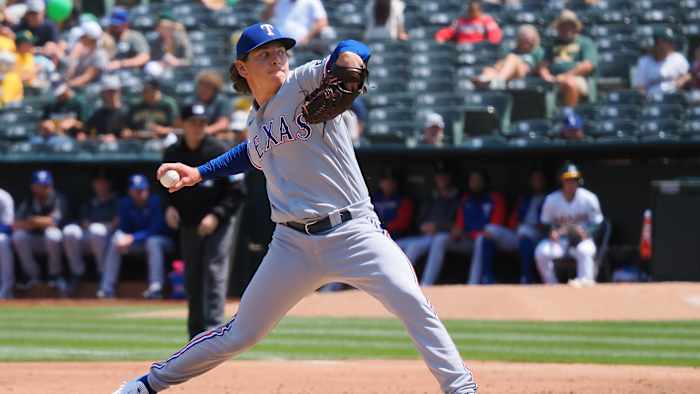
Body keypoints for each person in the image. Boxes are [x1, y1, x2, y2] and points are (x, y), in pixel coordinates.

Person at [113, 23, 477, 394]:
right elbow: (250, 153)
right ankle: (147, 385)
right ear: (242, 68)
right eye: (265, 54)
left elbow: (353, 48)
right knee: (240, 333)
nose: (277, 59)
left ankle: (461, 388)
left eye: (281, 51)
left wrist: (350, 58)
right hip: (291, 245)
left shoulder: (304, 82)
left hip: (354, 231)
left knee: (411, 302)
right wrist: (200, 172)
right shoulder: (254, 121)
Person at [163, 103, 244, 339]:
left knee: (214, 269)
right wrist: (169, 208)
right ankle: (195, 334)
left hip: (219, 219)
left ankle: (214, 331)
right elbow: (161, 188)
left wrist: (216, 215)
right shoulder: (173, 153)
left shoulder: (218, 149)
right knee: (193, 275)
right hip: (190, 222)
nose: (198, 127)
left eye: (202, 123)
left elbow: (238, 190)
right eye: (193, 122)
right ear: (182, 125)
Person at [421, 169, 506, 285]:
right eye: (472, 180)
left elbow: (494, 227)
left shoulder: (495, 198)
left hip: (489, 242)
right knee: (441, 238)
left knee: (481, 239)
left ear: (484, 182)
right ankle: (426, 283)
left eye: (477, 180)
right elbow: (459, 225)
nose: (474, 183)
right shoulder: (466, 200)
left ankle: (473, 282)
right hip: (468, 240)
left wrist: (469, 233)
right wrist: (457, 231)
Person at [98, 174, 173, 299]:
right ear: (130, 191)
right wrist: (124, 238)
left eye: (142, 189)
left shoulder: (155, 202)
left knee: (153, 241)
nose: (140, 193)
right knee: (116, 239)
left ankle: (156, 287)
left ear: (148, 189)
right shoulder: (125, 203)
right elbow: (124, 228)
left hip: (162, 242)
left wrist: (133, 238)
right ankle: (107, 288)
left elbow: (156, 230)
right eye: (136, 190)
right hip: (138, 243)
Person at [473, 169, 547, 285]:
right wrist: (514, 225)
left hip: (538, 234)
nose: (536, 182)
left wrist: (539, 226)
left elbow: (548, 223)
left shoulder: (549, 198)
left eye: (539, 179)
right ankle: (487, 277)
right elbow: (513, 218)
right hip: (519, 233)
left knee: (525, 232)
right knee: (490, 230)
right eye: (534, 179)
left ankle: (526, 277)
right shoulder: (525, 198)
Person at [535, 163, 603, 287]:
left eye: (574, 179)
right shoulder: (551, 200)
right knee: (541, 252)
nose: (571, 183)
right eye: (567, 179)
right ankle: (552, 284)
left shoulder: (589, 198)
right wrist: (551, 232)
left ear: (579, 181)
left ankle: (585, 282)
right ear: (561, 181)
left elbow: (598, 222)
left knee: (585, 250)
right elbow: (544, 223)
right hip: (561, 240)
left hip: (581, 239)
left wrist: (588, 232)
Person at [396, 161, 460, 283]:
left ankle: (411, 283)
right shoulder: (431, 197)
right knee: (395, 245)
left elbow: (458, 223)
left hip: (444, 235)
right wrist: (422, 226)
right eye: (439, 176)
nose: (441, 179)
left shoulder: (457, 197)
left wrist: (438, 226)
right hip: (426, 236)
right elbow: (419, 220)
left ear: (451, 177)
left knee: (415, 247)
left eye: (444, 175)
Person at [62, 171, 118, 296]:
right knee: (70, 231)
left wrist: (101, 225)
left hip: (108, 238)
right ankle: (77, 273)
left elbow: (116, 223)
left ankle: (102, 273)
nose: (101, 185)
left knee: (96, 230)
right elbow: (84, 222)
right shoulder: (89, 202)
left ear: (109, 184)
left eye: (104, 183)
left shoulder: (115, 201)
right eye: (98, 183)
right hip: (91, 236)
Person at [12, 170, 68, 292]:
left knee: (52, 234)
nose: (44, 188)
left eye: (46, 185)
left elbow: (53, 222)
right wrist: (38, 222)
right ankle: (33, 276)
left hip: (57, 242)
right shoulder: (28, 200)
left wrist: (32, 220)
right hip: (34, 240)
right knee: (18, 236)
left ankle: (55, 275)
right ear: (33, 187)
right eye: (40, 185)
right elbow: (15, 224)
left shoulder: (58, 198)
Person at [538, 10, 597, 108]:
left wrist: (565, 76)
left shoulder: (585, 42)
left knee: (569, 83)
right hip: (554, 80)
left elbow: (588, 66)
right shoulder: (552, 44)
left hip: (578, 78)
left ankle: (569, 114)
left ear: (575, 27)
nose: (566, 29)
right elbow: (543, 65)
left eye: (570, 25)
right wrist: (546, 76)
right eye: (563, 26)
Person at [474, 24, 543, 89]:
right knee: (489, 70)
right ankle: (486, 79)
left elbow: (540, 68)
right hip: (509, 74)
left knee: (512, 58)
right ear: (519, 39)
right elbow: (500, 64)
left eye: (529, 40)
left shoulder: (537, 51)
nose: (527, 42)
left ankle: (497, 81)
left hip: (525, 73)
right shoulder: (514, 50)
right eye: (524, 39)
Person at [633, 27, 690, 97]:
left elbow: (688, 76)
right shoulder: (644, 62)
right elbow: (640, 87)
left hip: (674, 100)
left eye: (669, 42)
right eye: (663, 42)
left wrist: (681, 81)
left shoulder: (678, 59)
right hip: (652, 101)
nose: (668, 45)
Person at [261, 0, 333, 49]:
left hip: (302, 44)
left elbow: (322, 22)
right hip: (280, 42)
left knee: (328, 32)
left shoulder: (312, 1)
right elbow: (264, 19)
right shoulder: (279, 1)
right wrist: (271, 5)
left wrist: (307, 38)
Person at [64, 21, 109, 90]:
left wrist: (65, 86)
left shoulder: (100, 54)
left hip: (91, 92)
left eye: (83, 36)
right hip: (74, 88)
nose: (80, 38)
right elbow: (67, 74)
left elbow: (86, 77)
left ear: (90, 38)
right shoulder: (77, 50)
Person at [435, 0, 502, 45]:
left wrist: (490, 45)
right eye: (471, 10)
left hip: (479, 50)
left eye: (475, 10)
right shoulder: (461, 21)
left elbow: (495, 34)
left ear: (480, 10)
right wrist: (440, 37)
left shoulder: (486, 20)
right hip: (462, 49)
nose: (472, 13)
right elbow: (449, 31)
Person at [371, 169, 414, 239]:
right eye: (384, 181)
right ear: (380, 183)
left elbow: (403, 223)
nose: (387, 183)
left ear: (396, 183)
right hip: (375, 234)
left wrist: (384, 226)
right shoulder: (374, 199)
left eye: (391, 181)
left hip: (397, 237)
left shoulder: (403, 199)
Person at [85, 75, 128, 142]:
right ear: (102, 93)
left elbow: (130, 133)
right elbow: (87, 130)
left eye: (114, 91)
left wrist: (116, 138)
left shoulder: (126, 111)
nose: (112, 94)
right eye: (109, 91)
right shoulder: (99, 113)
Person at [105, 7, 150, 71]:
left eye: (117, 25)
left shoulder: (134, 36)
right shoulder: (106, 36)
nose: (114, 27)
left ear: (126, 24)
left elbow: (144, 57)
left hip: (130, 73)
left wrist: (121, 63)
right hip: (109, 73)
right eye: (112, 24)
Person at [188, 70, 231, 136]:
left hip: (214, 136)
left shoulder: (221, 101)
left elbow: (223, 124)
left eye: (207, 87)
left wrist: (204, 131)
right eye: (201, 86)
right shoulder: (192, 100)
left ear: (215, 89)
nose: (203, 90)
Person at [0, 187, 14, 299]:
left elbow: (8, 225)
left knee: (1, 241)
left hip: (2, 234)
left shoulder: (3, 197)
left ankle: (6, 289)